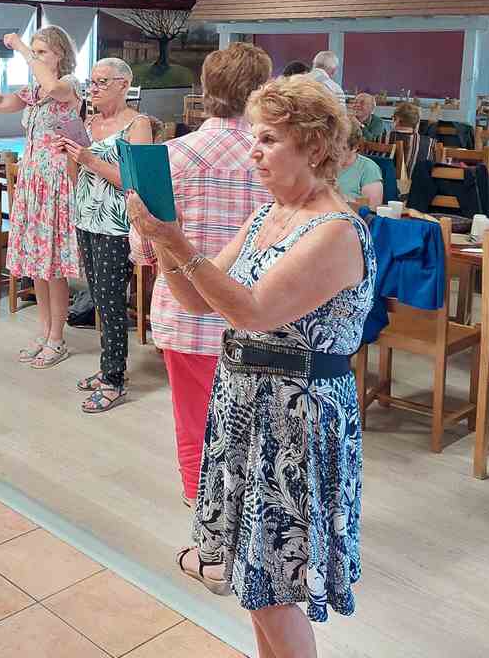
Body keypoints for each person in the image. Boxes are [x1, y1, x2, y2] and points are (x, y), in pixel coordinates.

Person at [127, 74, 374, 658]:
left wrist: (178, 243)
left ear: (314, 145)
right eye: (254, 137)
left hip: (297, 416)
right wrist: (160, 240)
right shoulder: (267, 215)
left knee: (273, 588)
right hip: (245, 402)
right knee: (254, 579)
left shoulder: (336, 230)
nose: (253, 152)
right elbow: (196, 300)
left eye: (268, 140)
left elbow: (252, 311)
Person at [130, 43, 273, 503]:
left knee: (194, 425)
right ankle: (250, 510)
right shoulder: (276, 162)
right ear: (263, 91)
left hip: (187, 314)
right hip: (260, 314)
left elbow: (142, 248)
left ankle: (201, 507)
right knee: (257, 429)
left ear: (204, 88)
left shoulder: (167, 158)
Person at [58, 58, 152, 412]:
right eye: (91, 82)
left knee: (111, 300)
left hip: (116, 225)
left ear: (123, 85)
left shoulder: (137, 125)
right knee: (98, 297)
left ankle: (115, 378)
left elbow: (136, 182)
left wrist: (90, 160)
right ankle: (108, 366)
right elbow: (76, 177)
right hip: (87, 218)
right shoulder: (88, 123)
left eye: (101, 82)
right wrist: (71, 155)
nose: (93, 89)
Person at [0, 25, 83, 368]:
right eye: (35, 51)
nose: (36, 56)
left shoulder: (69, 84)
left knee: (53, 265)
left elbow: (54, 87)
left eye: (43, 52)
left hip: (55, 180)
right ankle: (44, 332)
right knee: (37, 264)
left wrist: (23, 49)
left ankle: (57, 337)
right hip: (31, 180)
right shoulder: (33, 92)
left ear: (60, 54)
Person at [337, 119, 385, 208]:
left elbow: (372, 208)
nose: (333, 152)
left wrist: (339, 198)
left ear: (354, 147)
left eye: (341, 148)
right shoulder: (321, 164)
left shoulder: (368, 169)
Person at [390, 100, 436, 186]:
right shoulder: (430, 143)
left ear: (396, 120)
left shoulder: (382, 138)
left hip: (384, 188)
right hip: (416, 189)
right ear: (416, 122)